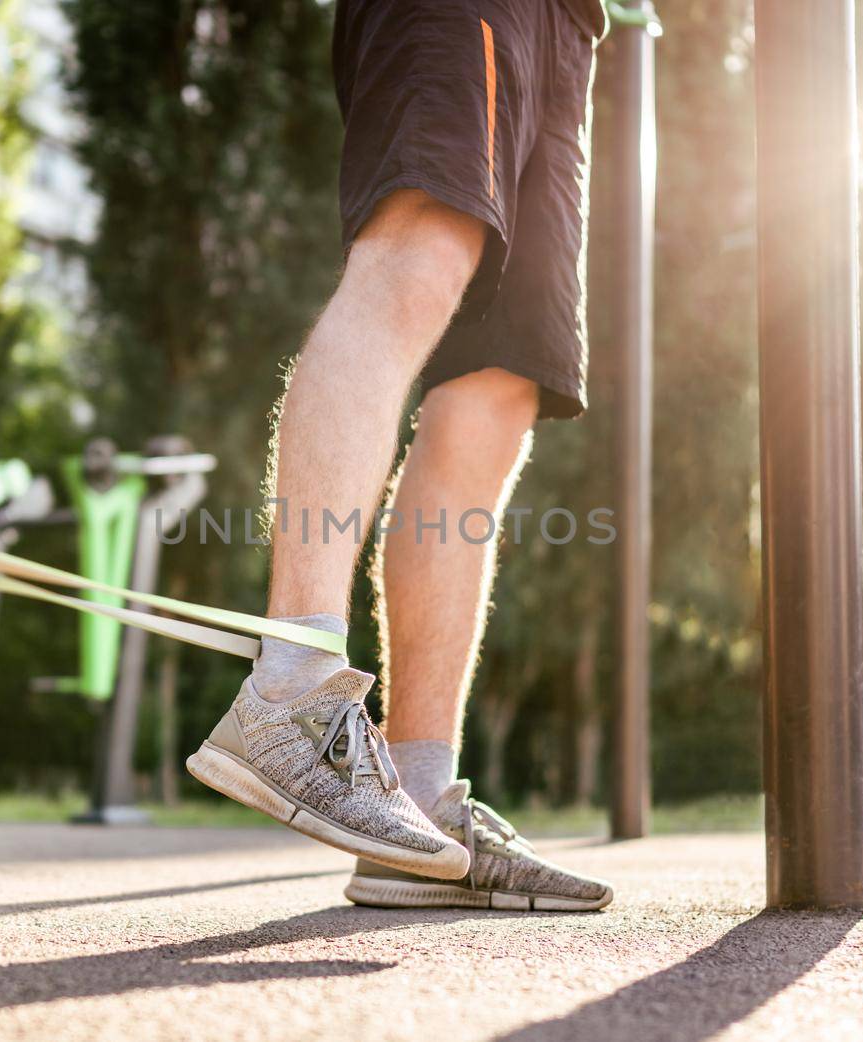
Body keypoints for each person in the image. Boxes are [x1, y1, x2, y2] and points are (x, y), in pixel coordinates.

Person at [186, 0, 614, 912]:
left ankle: (416, 801)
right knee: (419, 250)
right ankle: (292, 690)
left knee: (500, 387)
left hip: (573, 27)